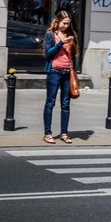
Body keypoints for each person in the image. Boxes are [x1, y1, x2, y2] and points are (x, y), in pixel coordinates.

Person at [42, 10, 78, 144]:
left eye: (68, 24)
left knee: (65, 104)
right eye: (64, 23)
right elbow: (48, 54)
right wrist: (60, 43)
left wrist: (72, 67)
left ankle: (64, 133)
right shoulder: (50, 34)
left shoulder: (71, 34)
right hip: (54, 72)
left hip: (67, 73)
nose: (66, 26)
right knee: (50, 103)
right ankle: (48, 133)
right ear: (57, 22)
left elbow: (73, 54)